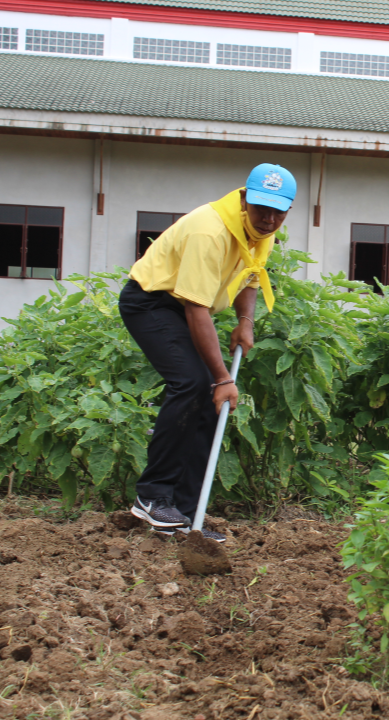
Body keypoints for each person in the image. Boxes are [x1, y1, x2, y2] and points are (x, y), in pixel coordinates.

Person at [119, 163, 297, 542]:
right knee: (192, 383)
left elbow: (251, 274)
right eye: (262, 208)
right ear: (245, 199)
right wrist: (222, 378)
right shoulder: (210, 231)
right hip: (151, 303)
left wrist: (245, 321)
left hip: (182, 308)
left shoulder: (260, 229)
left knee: (208, 402)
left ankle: (183, 514)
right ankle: (151, 497)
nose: (268, 219)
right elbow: (196, 308)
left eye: (277, 211)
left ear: (288, 209)